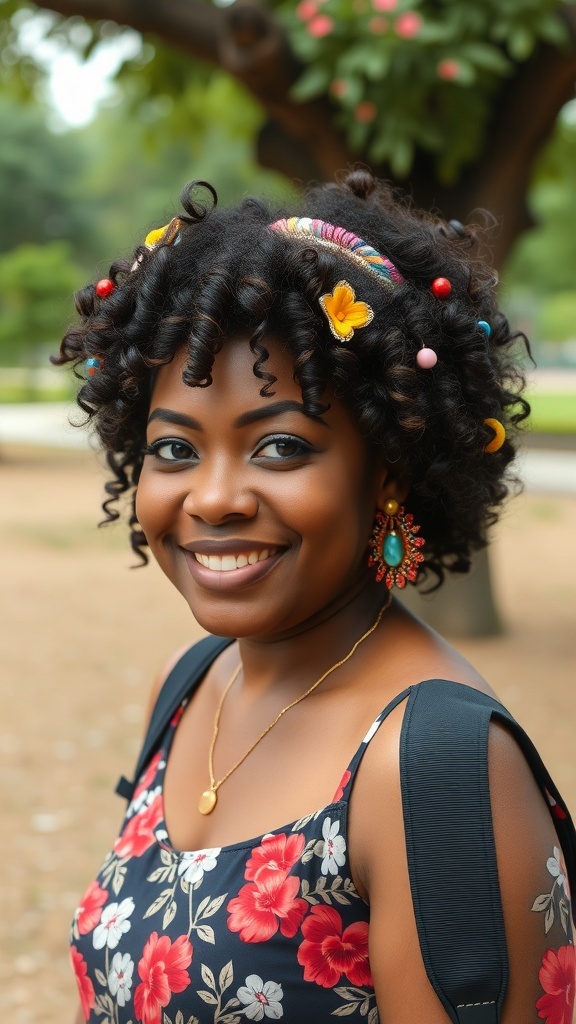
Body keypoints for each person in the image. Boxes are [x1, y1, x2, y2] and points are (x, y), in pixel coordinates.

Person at [56, 170, 575, 1024]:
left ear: (391, 470)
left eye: (282, 446)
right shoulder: (187, 690)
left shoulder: (435, 766)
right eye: (176, 450)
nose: (214, 497)